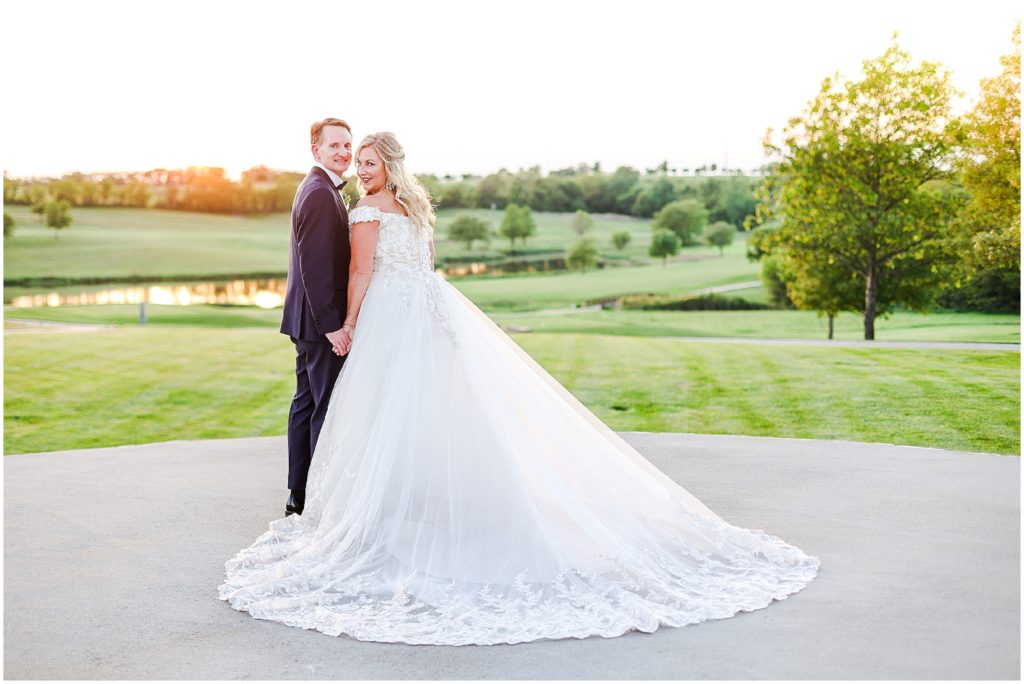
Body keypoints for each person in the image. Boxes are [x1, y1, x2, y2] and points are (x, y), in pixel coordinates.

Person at [220, 132, 820, 646]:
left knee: (390, 415)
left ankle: (391, 514)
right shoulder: (416, 209)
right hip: (426, 314)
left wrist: (349, 323)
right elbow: (426, 267)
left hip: (390, 319)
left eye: (370, 161)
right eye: (357, 160)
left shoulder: (369, 212)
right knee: (429, 413)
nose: (361, 168)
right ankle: (420, 505)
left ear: (390, 166)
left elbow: (359, 272)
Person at [278, 118, 354, 517]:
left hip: (304, 321)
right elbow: (315, 269)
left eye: (347, 145)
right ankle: (318, 498)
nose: (343, 152)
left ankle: (298, 494)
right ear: (316, 150)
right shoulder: (321, 193)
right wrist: (332, 327)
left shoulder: (318, 188)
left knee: (305, 405)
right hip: (319, 324)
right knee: (324, 407)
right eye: (334, 146)